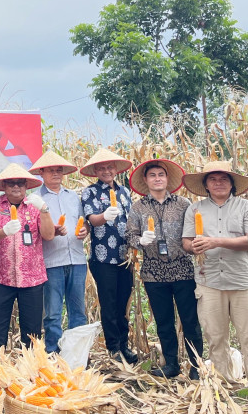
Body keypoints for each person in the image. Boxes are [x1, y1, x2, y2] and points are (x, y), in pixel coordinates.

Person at [181, 161, 248, 386]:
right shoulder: (194, 208)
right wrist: (193, 247)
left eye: (223, 179)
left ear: (232, 184)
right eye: (213, 179)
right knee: (216, 337)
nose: (218, 183)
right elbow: (186, 241)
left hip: (242, 280)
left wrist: (216, 241)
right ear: (206, 184)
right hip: (209, 281)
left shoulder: (247, 207)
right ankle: (224, 381)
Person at [126, 159, 201, 380]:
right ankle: (171, 364)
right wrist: (141, 240)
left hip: (183, 270)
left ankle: (196, 365)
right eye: (153, 175)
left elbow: (194, 231)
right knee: (164, 321)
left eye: (161, 175)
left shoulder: (183, 204)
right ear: (146, 180)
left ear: (167, 179)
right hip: (153, 272)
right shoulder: (138, 207)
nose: (157, 178)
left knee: (190, 320)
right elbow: (129, 236)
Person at [0, 163, 55, 348]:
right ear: (4, 186)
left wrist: (45, 210)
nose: (16, 187)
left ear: (26, 186)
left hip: (32, 278)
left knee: (31, 333)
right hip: (3, 277)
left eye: (20, 183)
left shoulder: (35, 206)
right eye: (11, 183)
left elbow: (48, 235)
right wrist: (4, 232)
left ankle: (30, 369)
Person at [80, 149, 137, 365]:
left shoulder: (124, 192)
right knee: (109, 303)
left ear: (116, 169)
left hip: (125, 257)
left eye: (109, 167)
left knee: (123, 303)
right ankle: (113, 347)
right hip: (103, 258)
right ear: (96, 171)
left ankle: (124, 344)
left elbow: (131, 221)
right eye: (101, 168)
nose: (106, 171)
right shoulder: (90, 192)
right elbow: (92, 219)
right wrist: (104, 216)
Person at [29, 151, 89, 354]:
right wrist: (50, 231)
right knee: (53, 312)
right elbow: (30, 230)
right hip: (51, 261)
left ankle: (77, 353)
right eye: (51, 170)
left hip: (77, 260)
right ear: (42, 173)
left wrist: (85, 230)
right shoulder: (35, 199)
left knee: (78, 311)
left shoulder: (73, 197)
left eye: (59, 170)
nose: (56, 174)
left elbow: (84, 223)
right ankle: (53, 351)